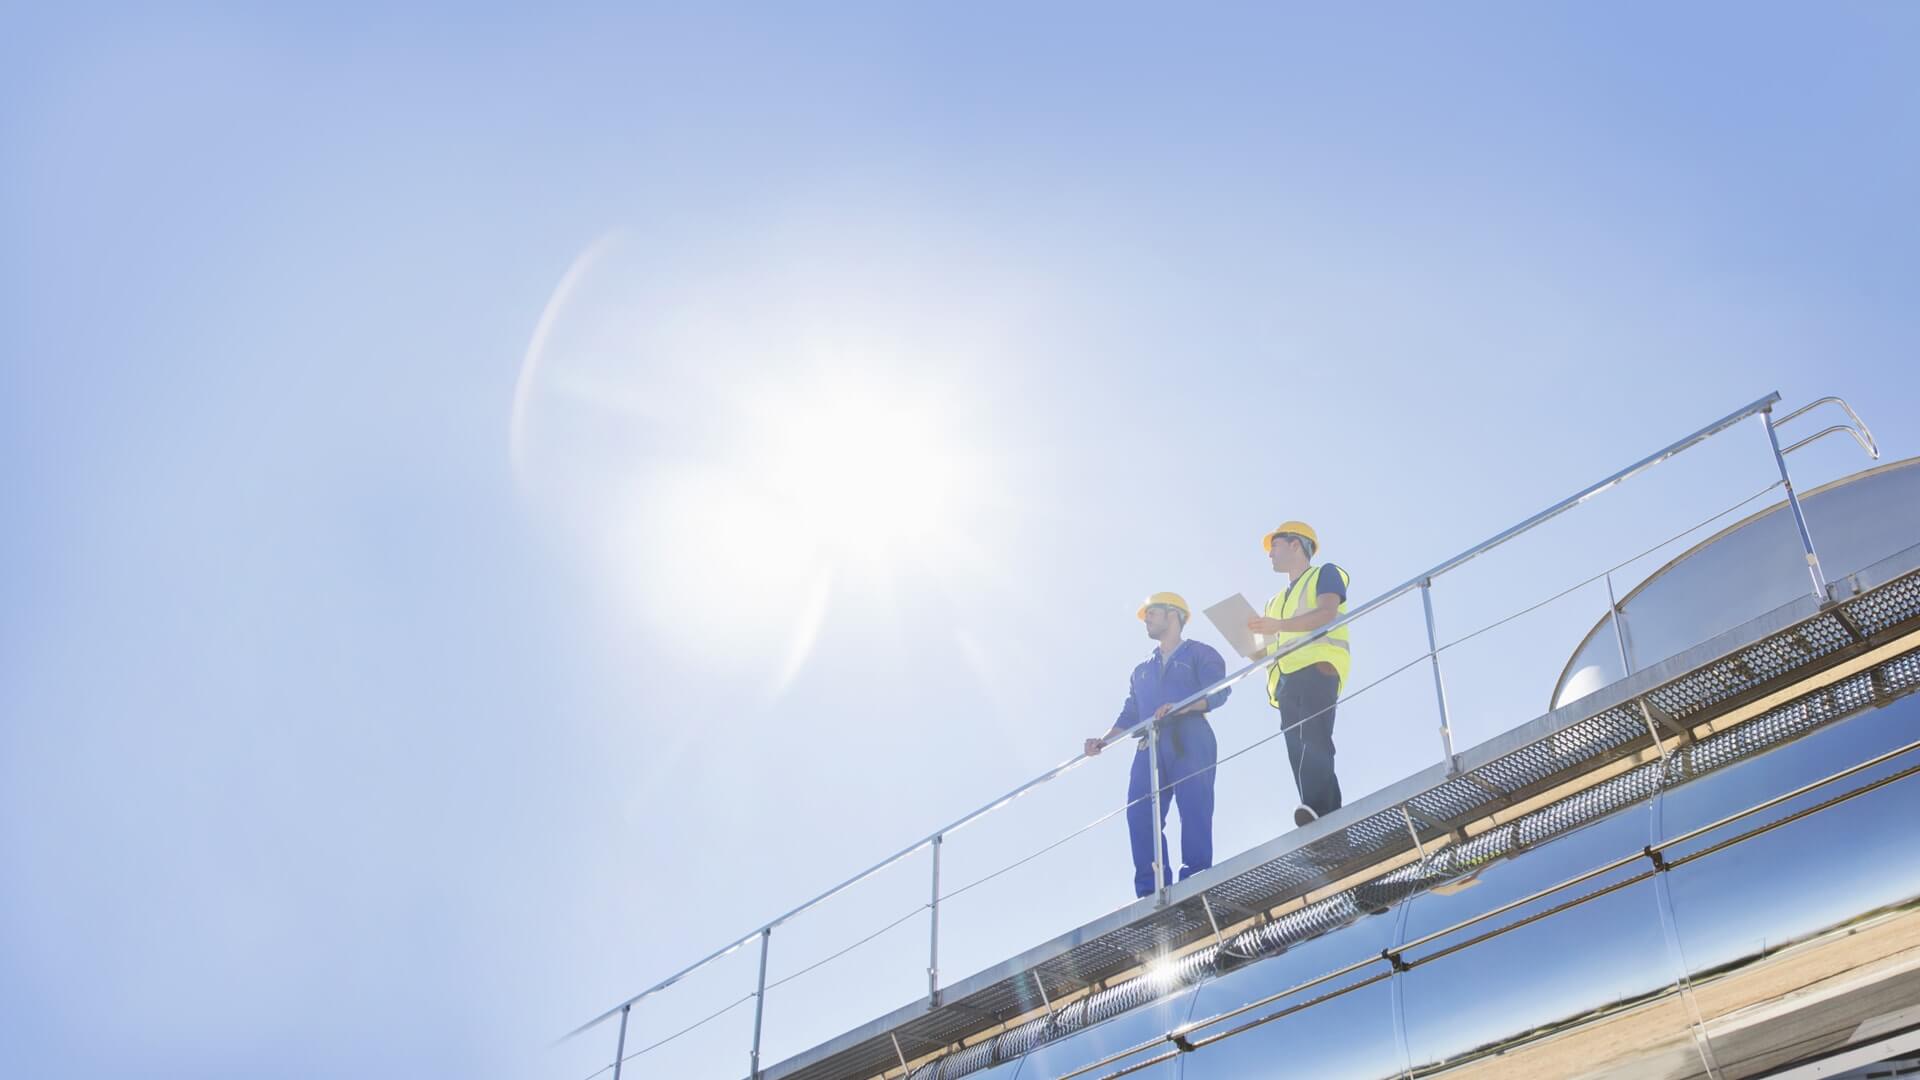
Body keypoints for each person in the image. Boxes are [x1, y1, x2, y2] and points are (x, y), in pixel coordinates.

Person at [1085, 592, 1230, 898]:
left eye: (1152, 612)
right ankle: (1151, 890)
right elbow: (1131, 713)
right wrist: (1104, 740)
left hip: (1189, 737)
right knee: (1139, 815)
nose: (1146, 619)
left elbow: (1218, 691)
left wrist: (1183, 706)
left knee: (1194, 806)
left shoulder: (1200, 653)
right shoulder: (1141, 670)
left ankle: (1196, 878)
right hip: (1149, 744)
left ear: (1174, 614)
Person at [1246, 521, 1352, 828]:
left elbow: (1326, 614)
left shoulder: (1325, 573)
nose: (1269, 554)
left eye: (1274, 545)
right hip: (1287, 681)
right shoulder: (1273, 601)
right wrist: (1247, 639)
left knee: (1314, 739)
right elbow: (1268, 651)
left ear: (1296, 545)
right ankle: (1321, 814)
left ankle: (1319, 809)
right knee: (1298, 749)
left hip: (1318, 667)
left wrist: (1276, 627)